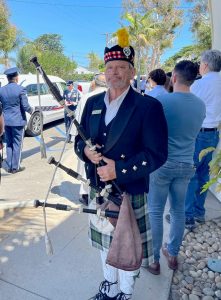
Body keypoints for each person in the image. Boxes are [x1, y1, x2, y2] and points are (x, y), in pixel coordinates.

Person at [74, 28, 168, 300]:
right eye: (110, 67)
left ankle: (125, 293)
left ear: (131, 71)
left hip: (129, 191)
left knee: (128, 246)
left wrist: (120, 169)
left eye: (121, 67)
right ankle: (109, 287)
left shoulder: (147, 107)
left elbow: (157, 154)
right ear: (104, 70)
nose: (114, 72)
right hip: (98, 188)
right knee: (106, 245)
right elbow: (79, 142)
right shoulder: (92, 102)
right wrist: (86, 154)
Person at [147, 60, 206, 275]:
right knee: (178, 210)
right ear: (193, 79)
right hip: (186, 164)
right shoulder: (200, 105)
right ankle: (172, 254)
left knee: (155, 210)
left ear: (174, 77)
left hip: (162, 164)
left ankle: (153, 261)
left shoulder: (164, 102)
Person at [184, 50, 221, 229]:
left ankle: (188, 216)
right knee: (204, 173)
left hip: (198, 133)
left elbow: (187, 108)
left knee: (191, 174)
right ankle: (200, 212)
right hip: (214, 134)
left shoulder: (198, 85)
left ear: (205, 65)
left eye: (200, 62)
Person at [73, 73, 107, 206]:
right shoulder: (90, 99)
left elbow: (77, 119)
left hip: (87, 140)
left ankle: (85, 193)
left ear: (95, 83)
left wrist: (75, 139)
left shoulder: (87, 97)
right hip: (88, 143)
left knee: (85, 166)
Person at [0, 67, 33, 174]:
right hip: (18, 121)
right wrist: (32, 110)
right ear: (16, 77)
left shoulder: (2, 90)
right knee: (17, 144)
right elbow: (25, 106)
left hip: (6, 121)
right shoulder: (21, 89)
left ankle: (9, 165)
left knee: (9, 143)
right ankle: (15, 167)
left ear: (8, 78)